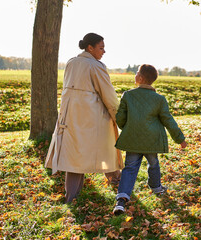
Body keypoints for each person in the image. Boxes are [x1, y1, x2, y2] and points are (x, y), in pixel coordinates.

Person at [45, 33, 124, 203]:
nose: (104, 51)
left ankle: (71, 197)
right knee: (107, 147)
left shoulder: (71, 63)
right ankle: (119, 184)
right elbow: (108, 95)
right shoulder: (95, 66)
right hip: (92, 119)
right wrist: (119, 117)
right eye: (101, 47)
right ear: (90, 47)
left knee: (74, 157)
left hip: (70, 118)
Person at [113, 64, 187, 215]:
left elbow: (120, 117)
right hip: (152, 140)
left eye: (136, 73)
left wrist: (127, 127)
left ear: (140, 78)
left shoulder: (128, 95)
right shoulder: (159, 99)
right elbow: (168, 120)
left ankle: (121, 200)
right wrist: (180, 139)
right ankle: (156, 187)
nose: (135, 75)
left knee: (130, 168)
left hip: (133, 139)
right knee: (153, 164)